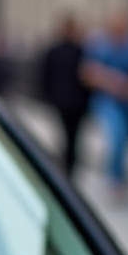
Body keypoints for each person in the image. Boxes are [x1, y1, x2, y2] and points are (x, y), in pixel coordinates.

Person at [83, 9, 128, 194]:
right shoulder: (100, 45)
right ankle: (115, 178)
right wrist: (109, 81)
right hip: (108, 99)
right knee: (116, 134)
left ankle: (121, 174)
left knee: (127, 139)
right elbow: (88, 72)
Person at [40, 15, 91, 179]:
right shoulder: (76, 51)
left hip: (71, 101)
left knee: (72, 135)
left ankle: (70, 164)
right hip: (68, 101)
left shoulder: (80, 51)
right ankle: (69, 164)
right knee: (70, 135)